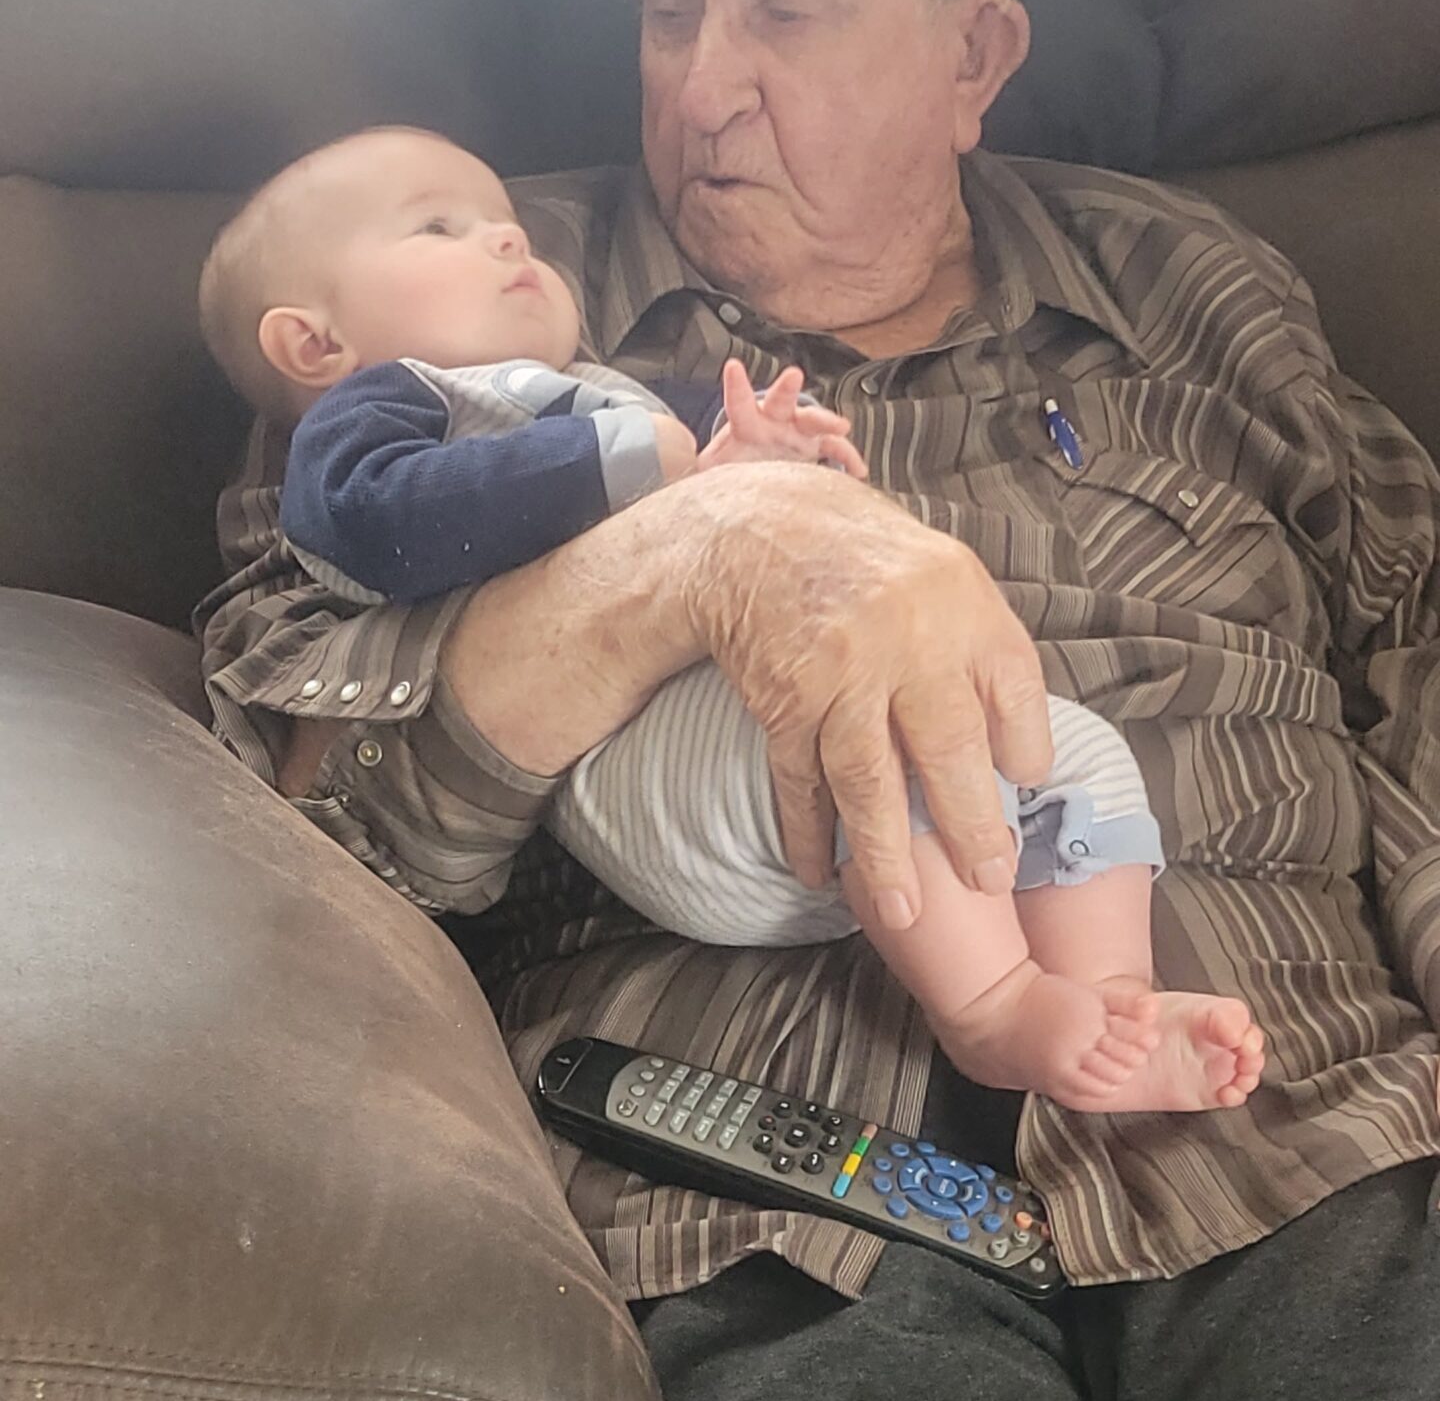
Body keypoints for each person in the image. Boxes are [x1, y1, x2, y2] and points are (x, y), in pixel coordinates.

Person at [197, 0, 1440, 1401]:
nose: (703, 84)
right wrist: (699, 550)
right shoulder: (457, 305)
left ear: (977, 54)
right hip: (754, 1220)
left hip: (1306, 1145)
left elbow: (1416, 642)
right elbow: (308, 801)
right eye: (668, 8)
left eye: (783, 9)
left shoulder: (1189, 285)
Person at [197, 127, 1263, 1115]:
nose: (509, 236)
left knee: (1078, 752)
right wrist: (654, 471)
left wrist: (772, 450)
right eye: (439, 227)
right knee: (882, 746)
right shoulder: (380, 413)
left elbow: (762, 498)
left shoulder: (611, 392)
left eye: (501, 219)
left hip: (763, 742)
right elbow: (377, 525)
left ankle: (1115, 995)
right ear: (313, 342)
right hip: (646, 771)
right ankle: (994, 1009)